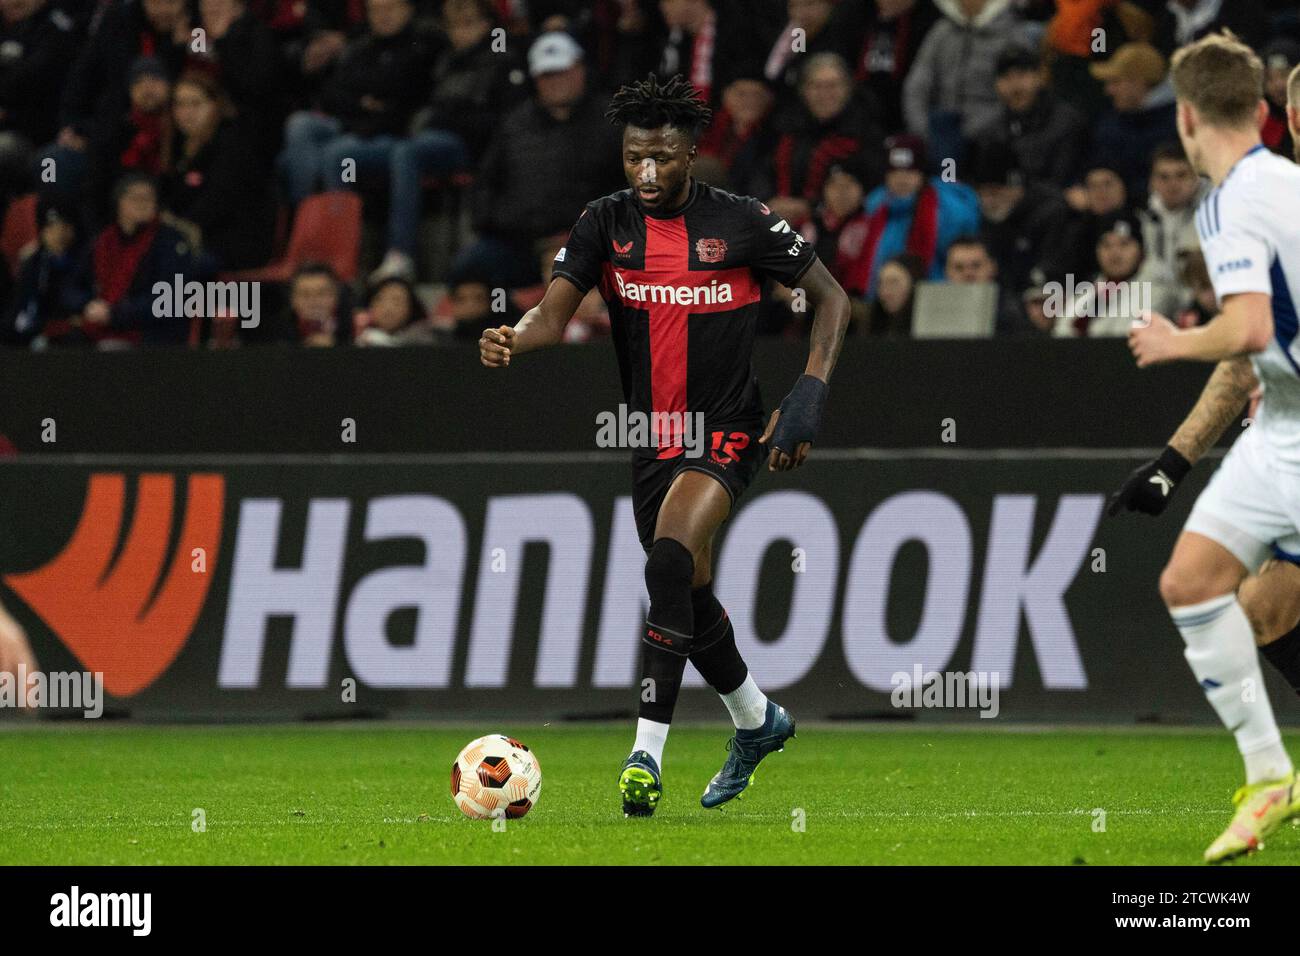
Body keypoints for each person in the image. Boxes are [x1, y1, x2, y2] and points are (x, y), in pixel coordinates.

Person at [478, 74, 850, 817]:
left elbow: (834, 299)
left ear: (691, 155)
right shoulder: (602, 223)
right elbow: (552, 317)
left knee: (668, 559)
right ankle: (757, 720)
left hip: (728, 427)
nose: (647, 173)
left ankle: (645, 753)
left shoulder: (743, 222)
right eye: (635, 157)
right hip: (652, 437)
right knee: (687, 591)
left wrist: (808, 391)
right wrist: (512, 337)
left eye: (664, 159)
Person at [1125, 32, 1300, 863]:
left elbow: (1250, 328)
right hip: (1279, 429)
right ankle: (1271, 777)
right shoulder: (1279, 184)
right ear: (1265, 112)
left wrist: (1172, 340)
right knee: (1193, 582)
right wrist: (1176, 458)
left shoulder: (1231, 200)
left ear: (1186, 118)